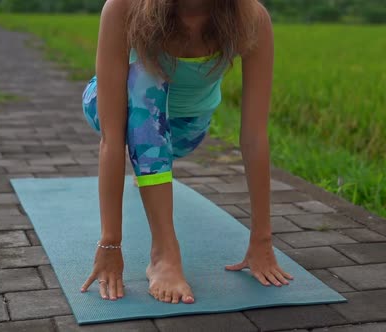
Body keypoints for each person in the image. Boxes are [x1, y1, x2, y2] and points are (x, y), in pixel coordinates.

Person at [79, 0, 293, 305]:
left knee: (153, 135)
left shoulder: (252, 17)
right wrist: (110, 243)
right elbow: (112, 139)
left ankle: (150, 168)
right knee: (143, 78)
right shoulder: (122, 8)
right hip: (122, 111)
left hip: (185, 132)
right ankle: (163, 254)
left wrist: (261, 241)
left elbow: (254, 136)